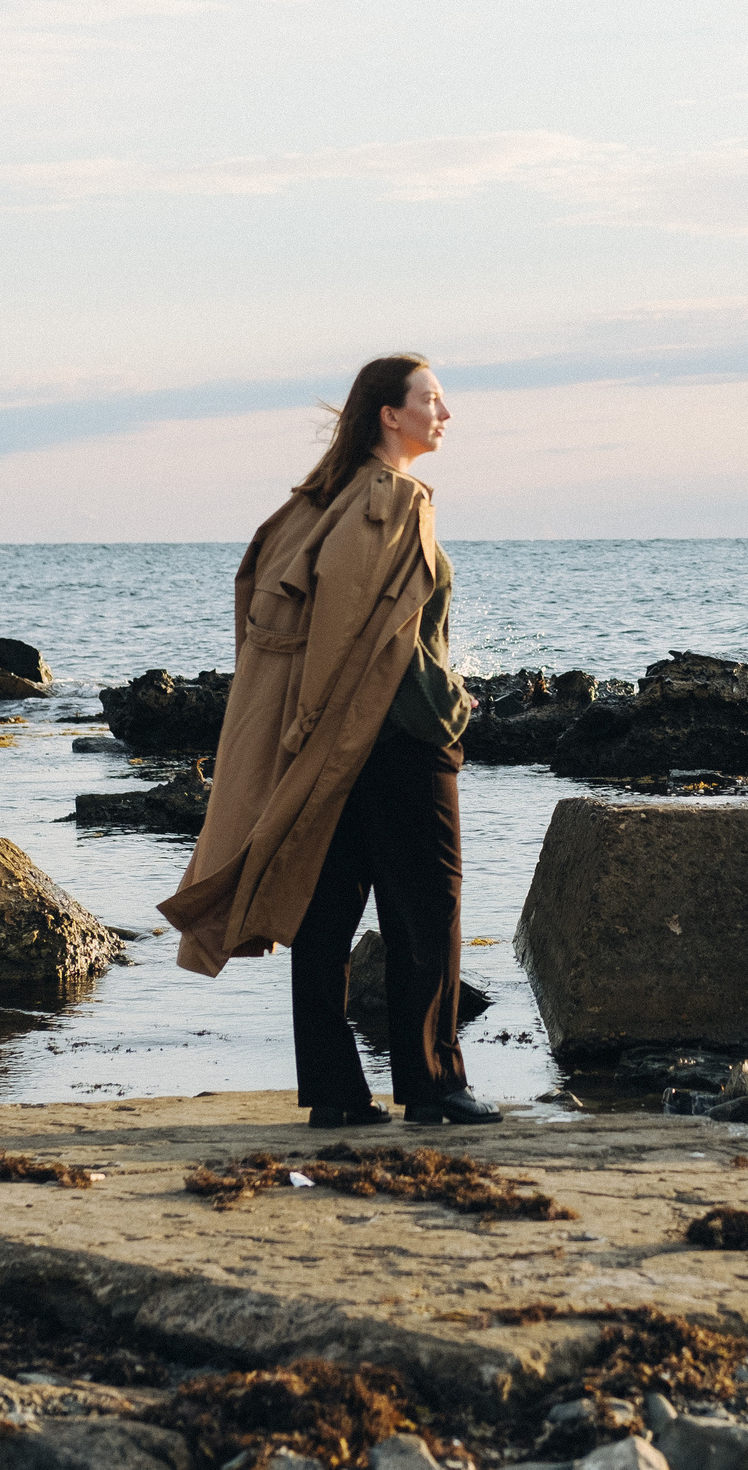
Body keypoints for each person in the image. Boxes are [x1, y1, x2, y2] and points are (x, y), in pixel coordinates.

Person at [158, 353, 498, 1128]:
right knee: (427, 912)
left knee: (326, 917)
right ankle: (433, 1085)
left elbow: (295, 620)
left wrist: (304, 727)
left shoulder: (322, 501)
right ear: (390, 414)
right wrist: (446, 703)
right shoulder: (393, 499)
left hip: (330, 746)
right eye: (432, 400)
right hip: (395, 741)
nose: (445, 414)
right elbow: (373, 635)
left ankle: (336, 1095)